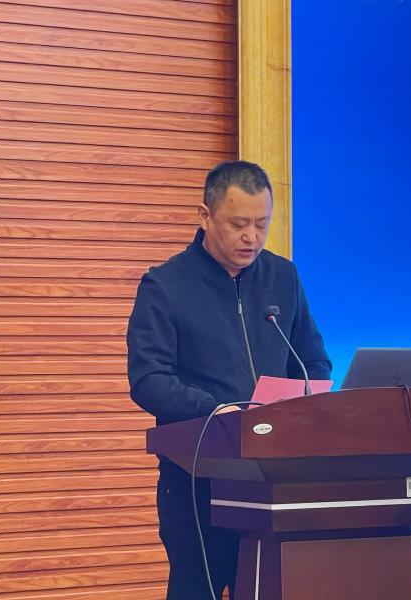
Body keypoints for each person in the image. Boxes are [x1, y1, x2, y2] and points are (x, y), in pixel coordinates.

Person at [127, 160, 332, 600]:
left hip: (273, 477)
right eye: (238, 224)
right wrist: (218, 411)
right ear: (205, 216)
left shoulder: (283, 277)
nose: (252, 238)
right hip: (197, 479)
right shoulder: (165, 286)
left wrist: (306, 403)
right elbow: (149, 379)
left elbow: (313, 361)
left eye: (262, 224)